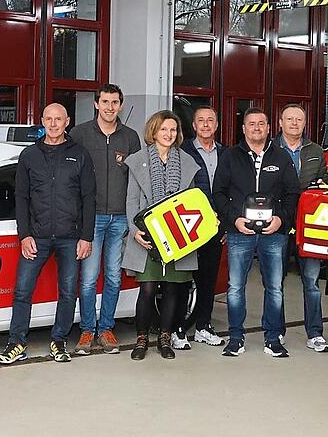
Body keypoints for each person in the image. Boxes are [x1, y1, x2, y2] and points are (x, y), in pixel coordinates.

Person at [0, 103, 95, 365]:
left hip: (70, 237)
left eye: (58, 119)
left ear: (67, 122)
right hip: (36, 237)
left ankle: (59, 341)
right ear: (42, 122)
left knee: (67, 292)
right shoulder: (29, 155)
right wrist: (24, 235)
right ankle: (16, 343)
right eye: (48, 119)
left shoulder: (80, 154)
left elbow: (88, 197)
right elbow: (21, 197)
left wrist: (87, 236)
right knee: (22, 292)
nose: (53, 124)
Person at [212, 107, 300, 358]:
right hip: (240, 232)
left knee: (274, 287)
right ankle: (236, 338)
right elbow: (218, 193)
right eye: (251, 124)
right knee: (235, 286)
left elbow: (293, 194)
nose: (257, 128)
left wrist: (281, 220)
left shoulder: (281, 157)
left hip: (274, 233)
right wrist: (234, 220)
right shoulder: (230, 156)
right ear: (244, 128)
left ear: (269, 128)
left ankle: (273, 338)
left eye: (261, 124)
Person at [70, 84, 142, 355]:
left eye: (115, 102)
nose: (110, 107)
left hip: (121, 219)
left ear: (121, 105)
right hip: (91, 219)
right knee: (88, 278)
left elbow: (136, 179)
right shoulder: (79, 134)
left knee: (113, 276)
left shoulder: (131, 138)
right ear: (96, 105)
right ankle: (87, 330)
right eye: (105, 101)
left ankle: (106, 329)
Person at [124, 110, 201, 360]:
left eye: (173, 130)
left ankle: (165, 338)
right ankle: (142, 339)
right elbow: (132, 201)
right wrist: (135, 232)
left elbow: (190, 202)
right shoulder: (138, 161)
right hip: (147, 238)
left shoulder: (187, 162)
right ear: (153, 131)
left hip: (178, 238)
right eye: (164, 129)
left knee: (172, 290)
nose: (169, 134)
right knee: (147, 289)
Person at [276, 103, 328, 353]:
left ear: (305, 123)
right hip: (278, 225)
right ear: (281, 123)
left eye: (299, 119)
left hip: (309, 227)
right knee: (276, 282)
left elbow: (324, 185)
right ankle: (276, 332)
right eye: (290, 119)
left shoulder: (316, 151)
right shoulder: (271, 149)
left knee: (311, 281)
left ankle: (315, 333)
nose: (294, 123)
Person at [181, 106, 227, 347]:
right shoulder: (183, 151)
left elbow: (231, 189)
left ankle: (203, 326)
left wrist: (225, 222)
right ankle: (178, 329)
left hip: (216, 226)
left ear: (216, 125)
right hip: (189, 225)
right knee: (184, 278)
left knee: (209, 278)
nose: (206, 125)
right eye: (201, 121)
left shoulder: (226, 153)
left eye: (211, 120)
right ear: (194, 126)